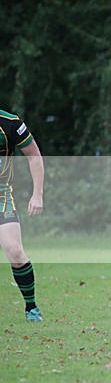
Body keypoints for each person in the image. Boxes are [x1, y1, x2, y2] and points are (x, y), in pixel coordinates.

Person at [1, 109, 44, 322]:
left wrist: (37, 195)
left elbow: (34, 156)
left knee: (15, 252)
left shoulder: (9, 123)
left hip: (1, 197)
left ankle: (31, 308)